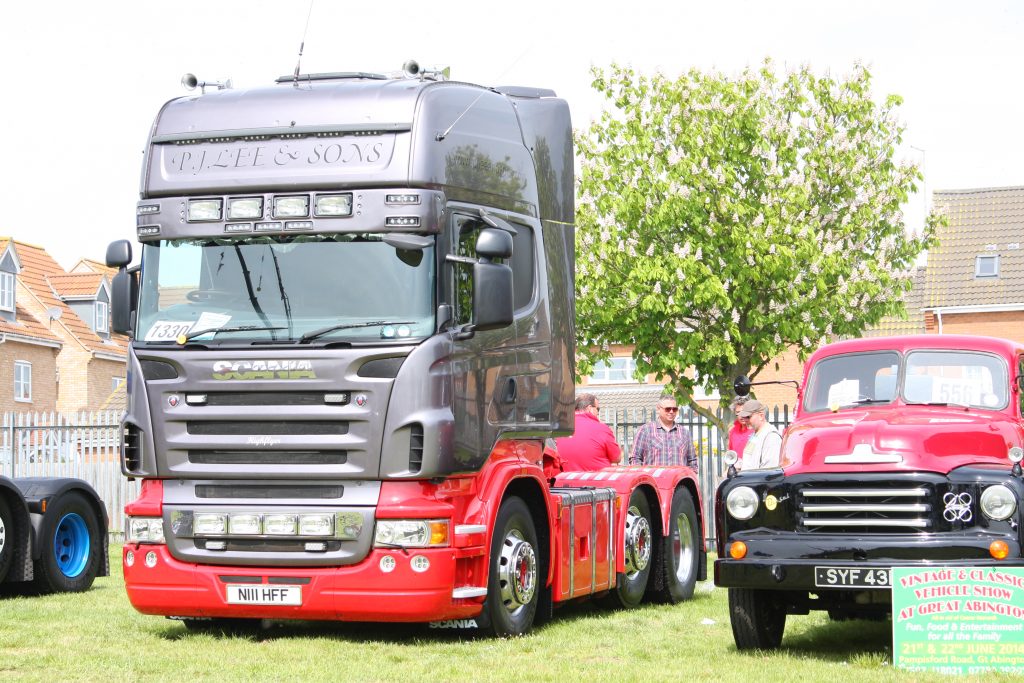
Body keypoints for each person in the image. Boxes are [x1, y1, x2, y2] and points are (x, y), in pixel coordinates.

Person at [629, 394, 698, 471]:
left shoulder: (685, 433)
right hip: (653, 481)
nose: (671, 412)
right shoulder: (646, 430)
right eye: (668, 409)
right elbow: (635, 458)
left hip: (679, 482)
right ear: (658, 409)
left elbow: (692, 461)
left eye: (674, 409)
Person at [555, 394, 621, 471]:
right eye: (598, 409)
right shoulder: (602, 428)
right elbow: (617, 458)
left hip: (566, 480)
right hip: (597, 480)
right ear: (590, 408)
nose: (598, 413)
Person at [737, 399, 782, 470]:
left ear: (761, 416)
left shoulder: (771, 436)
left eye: (748, 417)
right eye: (744, 417)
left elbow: (769, 471)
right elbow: (751, 463)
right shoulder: (755, 434)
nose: (745, 420)